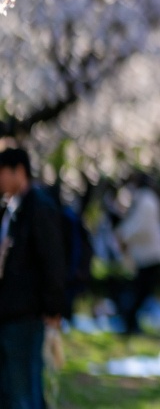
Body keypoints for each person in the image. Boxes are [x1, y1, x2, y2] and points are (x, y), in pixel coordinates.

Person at [0, 146, 66, 409]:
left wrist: (53, 308)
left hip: (27, 312)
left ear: (19, 171)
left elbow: (53, 262)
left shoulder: (39, 207)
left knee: (24, 391)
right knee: (10, 390)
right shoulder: (11, 208)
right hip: (9, 312)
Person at [116, 172, 160, 335]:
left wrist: (122, 234)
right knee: (140, 292)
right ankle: (130, 322)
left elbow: (139, 226)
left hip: (149, 254)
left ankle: (130, 322)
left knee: (141, 292)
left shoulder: (145, 200)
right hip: (147, 254)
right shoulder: (146, 199)